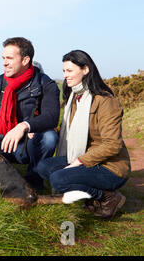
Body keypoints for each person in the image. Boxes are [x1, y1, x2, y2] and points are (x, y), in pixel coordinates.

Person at [35, 50, 130, 219]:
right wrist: (41, 131)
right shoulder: (74, 97)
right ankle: (90, 195)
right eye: (64, 71)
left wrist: (79, 161)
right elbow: (70, 129)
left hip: (110, 167)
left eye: (70, 71)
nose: (65, 75)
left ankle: (108, 197)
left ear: (85, 69)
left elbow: (112, 144)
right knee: (43, 167)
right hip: (83, 156)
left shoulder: (106, 101)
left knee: (58, 179)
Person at [0, 37, 60, 190]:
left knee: (49, 137)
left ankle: (34, 182)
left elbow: (52, 117)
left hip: (26, 146)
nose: (4, 63)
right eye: (3, 58)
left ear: (26, 60)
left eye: (9, 58)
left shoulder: (45, 84)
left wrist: (24, 126)